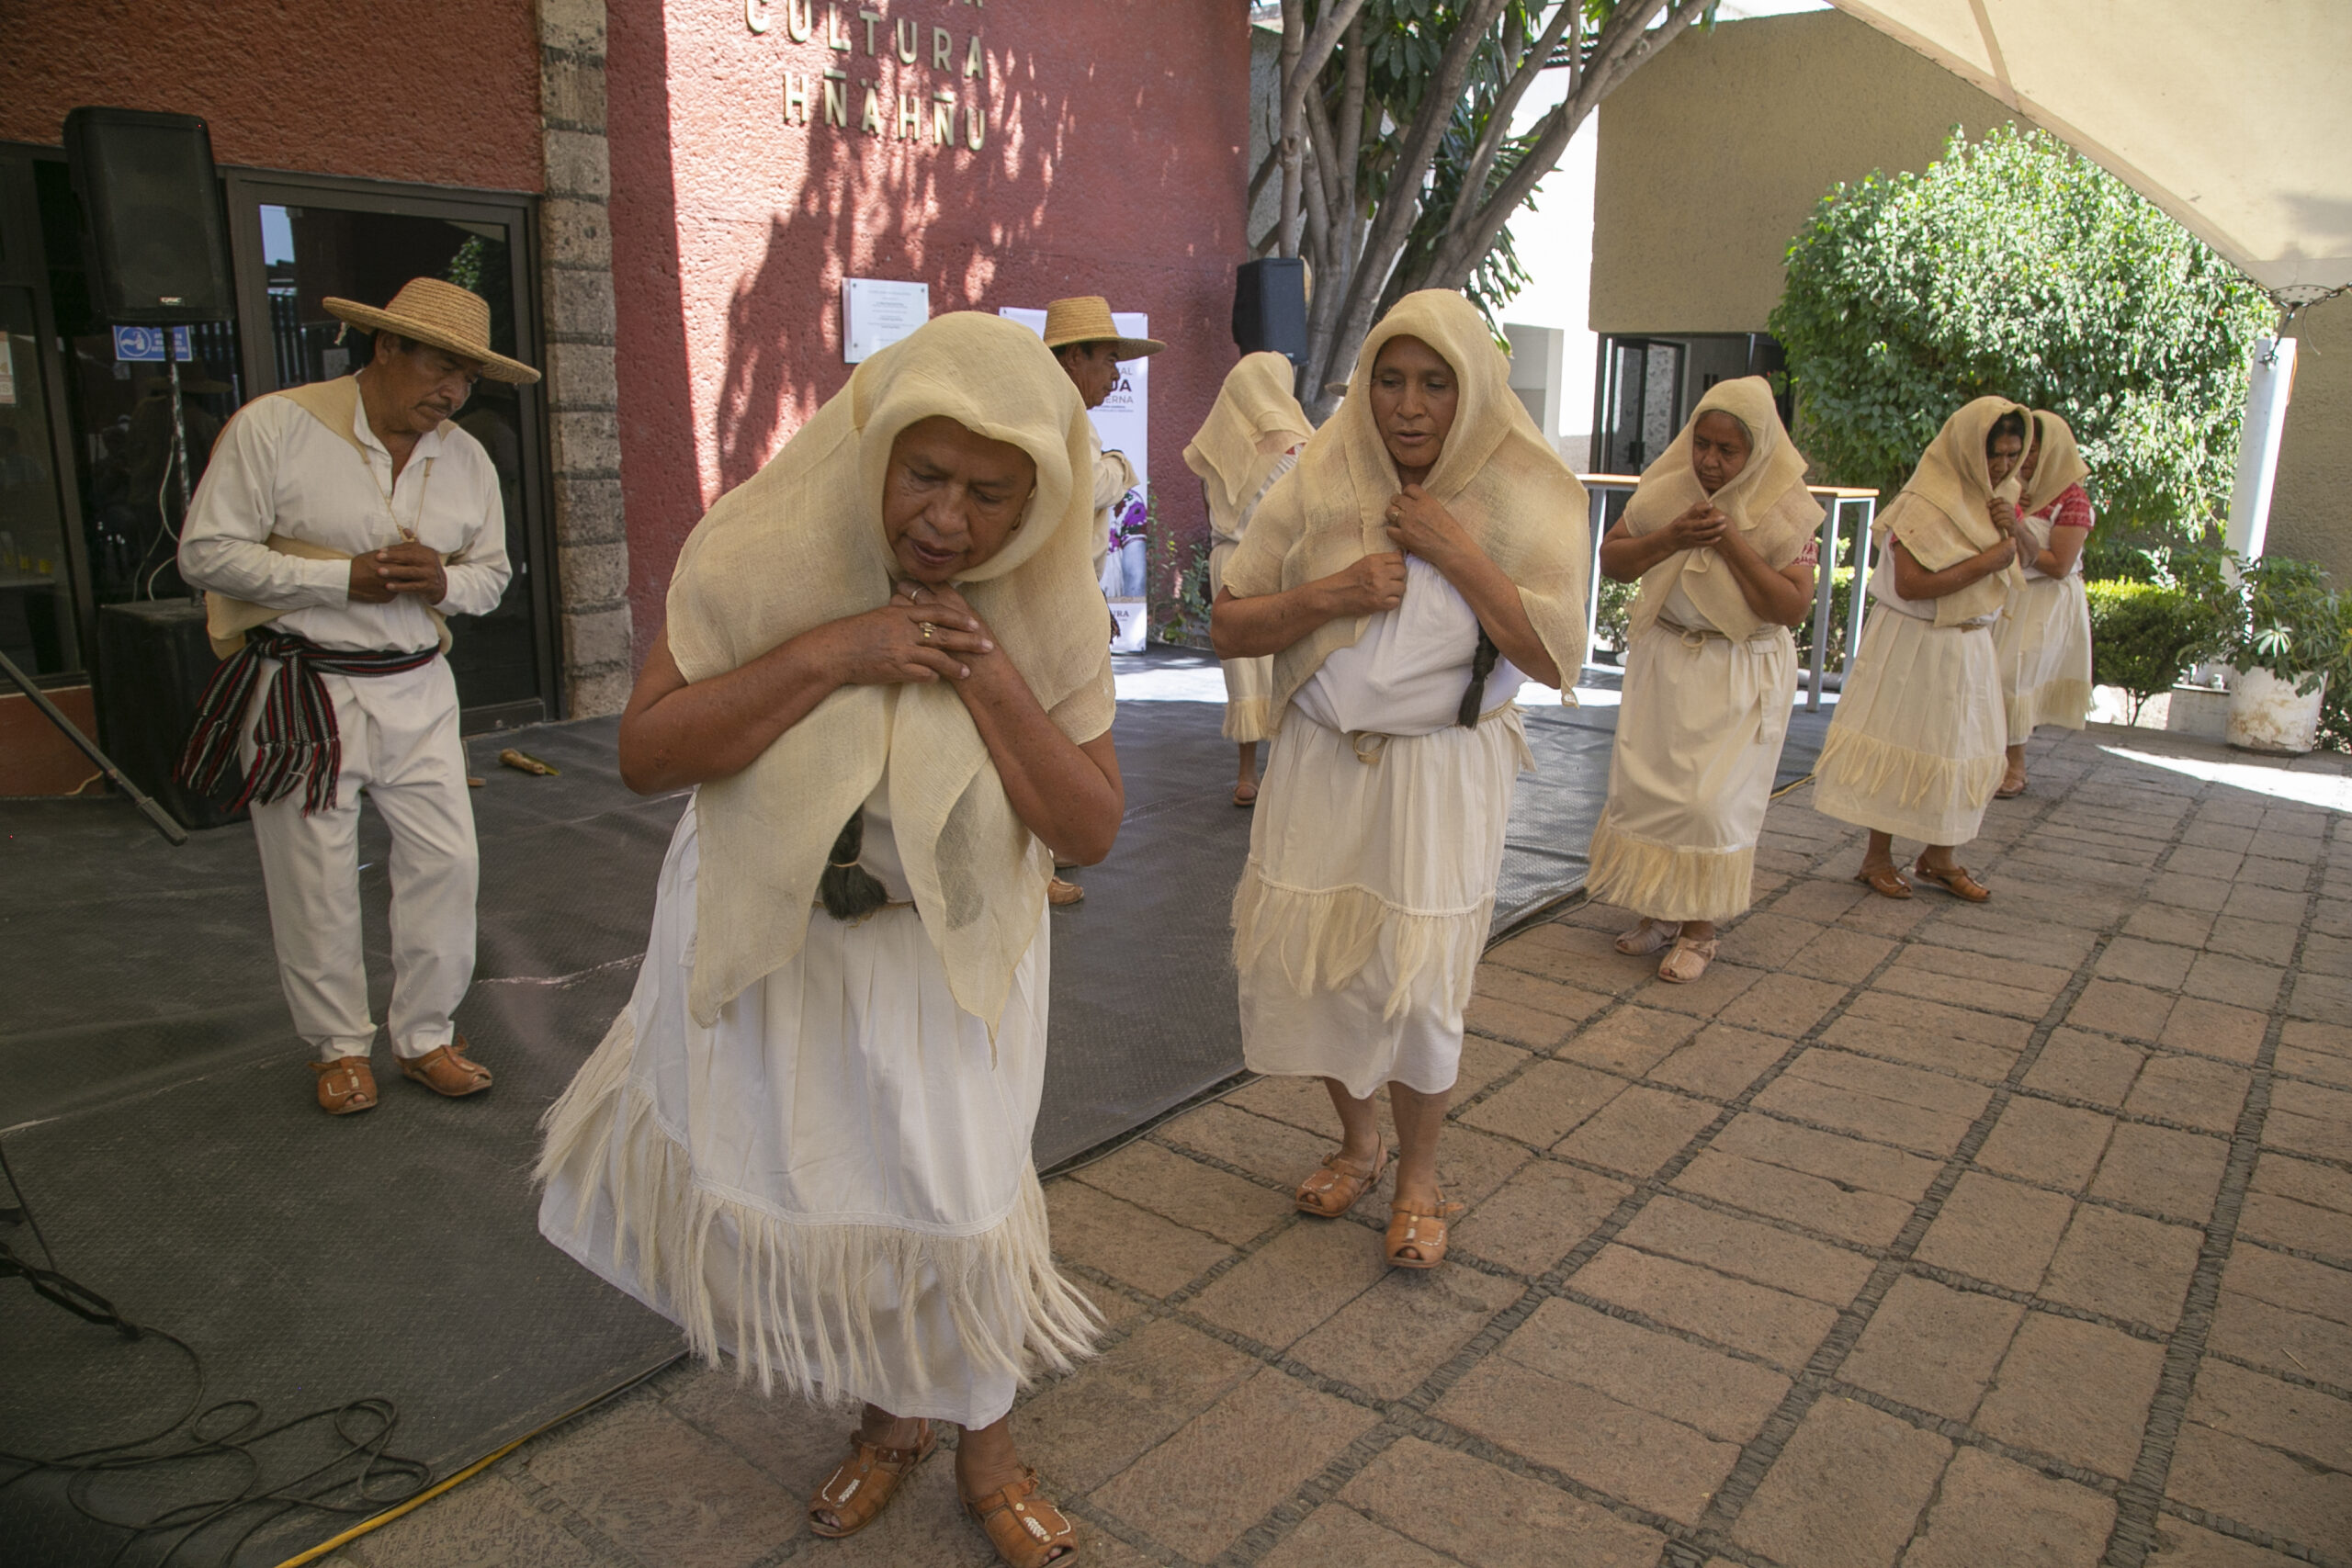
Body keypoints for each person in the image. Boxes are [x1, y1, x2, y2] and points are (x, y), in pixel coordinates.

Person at [537, 313, 1116, 1566]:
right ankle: (888, 1416)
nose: (948, 520)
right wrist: (836, 651)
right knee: (838, 1176)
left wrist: (985, 672)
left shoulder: (1047, 601)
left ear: (1039, 498)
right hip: (775, 928)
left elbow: (1090, 824)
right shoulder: (764, 545)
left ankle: (987, 1448)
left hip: (939, 953)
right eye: (925, 474)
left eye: (990, 494)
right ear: (876, 446)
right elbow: (649, 751)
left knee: (957, 1199)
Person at [1213, 289, 1589, 1270]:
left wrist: (1454, 549)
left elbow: (1554, 656)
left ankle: (1420, 1177)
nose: (1408, 406)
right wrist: (1333, 592)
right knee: (1321, 968)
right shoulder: (1323, 471)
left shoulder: (1527, 491)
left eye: (1434, 383)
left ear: (1474, 391)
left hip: (1439, 770)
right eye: (1389, 380)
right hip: (1319, 757)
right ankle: (1358, 1143)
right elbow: (1230, 622)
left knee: (1419, 985)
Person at [176, 278, 530, 1115]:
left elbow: (491, 576)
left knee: (447, 861)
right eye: (441, 367)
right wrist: (340, 579)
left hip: (418, 686)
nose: (453, 391)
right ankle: (338, 1047)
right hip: (302, 685)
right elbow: (206, 553)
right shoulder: (276, 426)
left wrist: (443, 581)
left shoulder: (466, 458)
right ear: (385, 347)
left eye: (468, 377)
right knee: (314, 872)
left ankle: (427, 1033)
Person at [1588, 378, 1822, 982]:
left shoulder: (1788, 508)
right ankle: (1660, 909)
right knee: (1652, 794)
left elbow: (1791, 606)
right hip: (1667, 660)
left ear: (1758, 451)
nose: (1710, 461)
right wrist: (1672, 536)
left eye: (1728, 450)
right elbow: (1613, 560)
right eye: (1703, 444)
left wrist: (1730, 542)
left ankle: (1701, 928)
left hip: (1737, 669)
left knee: (1710, 805)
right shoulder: (1669, 489)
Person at [1815, 397, 2034, 900]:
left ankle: (1940, 856)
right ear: (1968, 449)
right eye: (1994, 454)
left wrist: (2015, 527)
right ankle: (1877, 857)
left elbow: (2030, 557)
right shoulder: (1924, 501)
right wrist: (1990, 560)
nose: (2002, 466)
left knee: (1962, 747)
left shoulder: (2001, 498)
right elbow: (1911, 585)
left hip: (1971, 643)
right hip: (1916, 639)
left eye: (2012, 455)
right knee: (1901, 740)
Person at [1039, 294, 1160, 905]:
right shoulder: (1056, 413)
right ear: (1073, 358)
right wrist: (1120, 463)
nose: (1115, 375)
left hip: (1065, 594)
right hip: (1050, 598)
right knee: (1048, 731)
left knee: (1055, 728)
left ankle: (1047, 847)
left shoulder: (1059, 411)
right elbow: (1084, 487)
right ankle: (1037, 860)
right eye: (1107, 359)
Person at [1184, 351, 1311, 807]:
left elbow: (1209, 508)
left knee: (1244, 671)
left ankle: (1247, 773)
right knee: (1288, 666)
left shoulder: (1214, 444)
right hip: (1282, 566)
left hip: (1231, 562)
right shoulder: (1304, 445)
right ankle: (1282, 773)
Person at [1994, 410, 2095, 797]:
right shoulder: (2010, 489)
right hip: (2009, 596)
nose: (2026, 458)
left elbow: (2059, 565)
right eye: (2024, 449)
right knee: (1991, 675)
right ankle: (1991, 759)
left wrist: (2018, 529)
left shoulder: (2072, 500)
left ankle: (2014, 765)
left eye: (2035, 450)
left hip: (2046, 602)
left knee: (2012, 676)